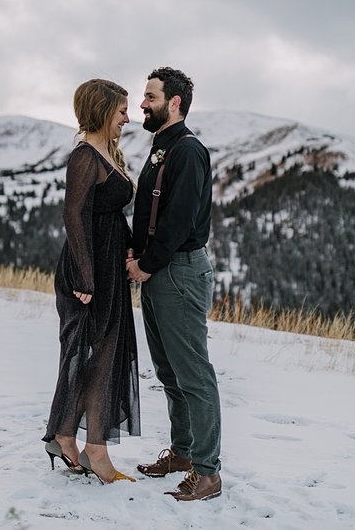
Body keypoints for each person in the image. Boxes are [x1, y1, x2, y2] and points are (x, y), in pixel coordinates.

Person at [126, 67, 222, 501]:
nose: (142, 103)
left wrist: (146, 263)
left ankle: (207, 472)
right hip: (160, 270)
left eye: (150, 96)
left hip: (178, 271)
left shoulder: (187, 151)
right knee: (169, 372)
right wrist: (135, 253)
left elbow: (179, 219)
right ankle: (182, 453)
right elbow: (149, 212)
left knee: (194, 374)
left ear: (174, 103)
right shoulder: (160, 147)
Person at [42, 78, 140, 485]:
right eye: (121, 111)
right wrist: (85, 275)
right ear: (102, 110)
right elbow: (74, 215)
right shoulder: (85, 156)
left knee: (102, 355)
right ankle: (92, 450)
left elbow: (109, 217)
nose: (127, 118)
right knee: (92, 354)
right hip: (90, 272)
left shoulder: (106, 153)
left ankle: (68, 436)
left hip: (107, 268)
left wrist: (131, 249)